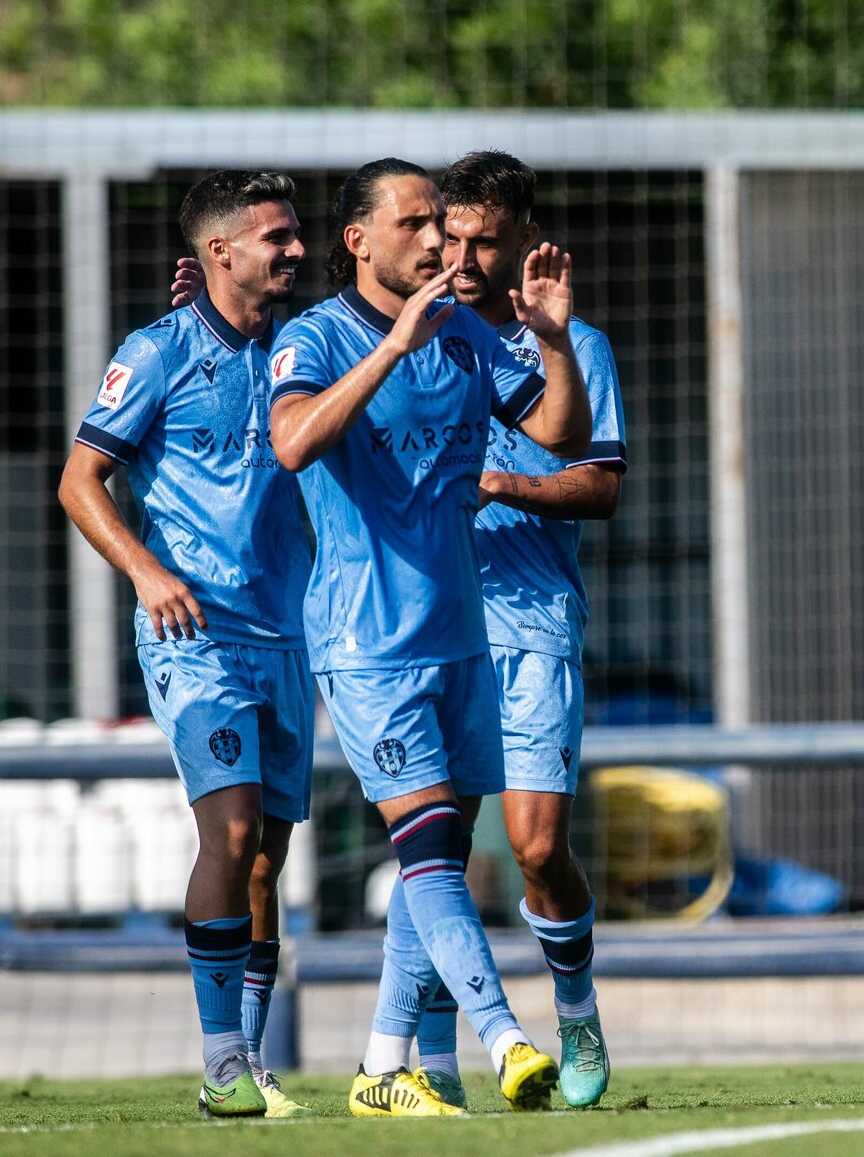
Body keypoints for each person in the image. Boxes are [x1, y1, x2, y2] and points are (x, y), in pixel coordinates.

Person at [267, 157, 594, 1115]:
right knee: (425, 850)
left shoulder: (462, 333)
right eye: (417, 224)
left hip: (463, 638)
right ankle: (507, 1040)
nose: (438, 243)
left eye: (442, 226)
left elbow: (561, 433)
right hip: (367, 642)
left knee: (439, 856)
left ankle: (378, 1065)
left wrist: (554, 342)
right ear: (358, 240)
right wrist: (393, 348)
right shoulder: (318, 337)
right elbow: (292, 443)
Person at [58, 170, 314, 1119]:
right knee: (232, 831)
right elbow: (82, 481)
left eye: (295, 234)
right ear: (219, 253)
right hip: (194, 635)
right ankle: (219, 1063)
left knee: (267, 863)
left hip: (291, 633)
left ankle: (249, 1055)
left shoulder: (307, 348)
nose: (294, 249)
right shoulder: (156, 353)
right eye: (275, 236)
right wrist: (145, 571)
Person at [400, 149, 626, 1110]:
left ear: (525, 241)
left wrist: (507, 483)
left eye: (484, 240)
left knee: (535, 847)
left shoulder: (574, 347)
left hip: (531, 617)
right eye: (450, 235)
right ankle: (439, 1064)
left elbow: (601, 483)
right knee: (435, 852)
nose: (462, 256)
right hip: (432, 620)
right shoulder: (415, 335)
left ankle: (574, 1012)